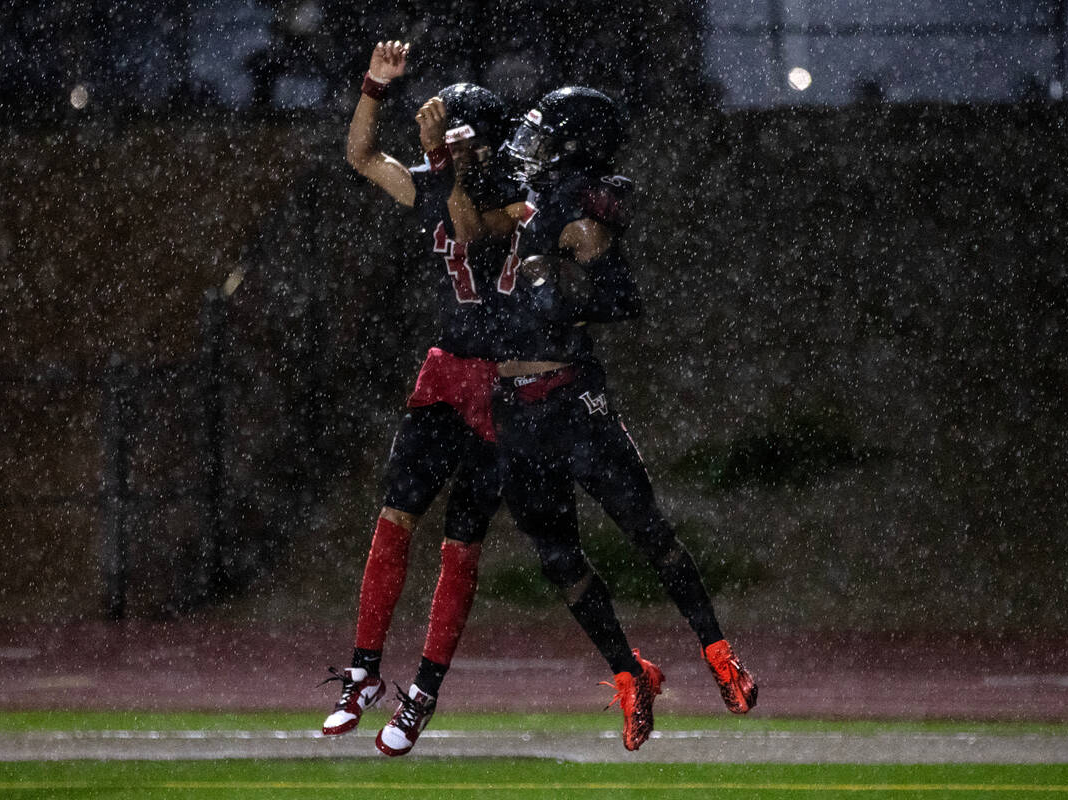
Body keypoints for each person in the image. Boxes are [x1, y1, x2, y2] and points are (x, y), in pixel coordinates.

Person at [483, 86, 758, 750]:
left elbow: (620, 297)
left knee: (647, 532)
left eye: (547, 131)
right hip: (516, 415)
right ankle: (630, 673)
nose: (533, 140)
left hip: (573, 402)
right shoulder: (528, 201)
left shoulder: (580, 206)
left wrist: (558, 287)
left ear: (574, 142)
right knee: (559, 561)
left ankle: (718, 652)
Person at [321, 41, 514, 757]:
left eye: (443, 131)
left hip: (503, 388)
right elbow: (363, 157)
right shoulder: (439, 182)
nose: (429, 142)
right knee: (394, 519)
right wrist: (375, 87)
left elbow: (469, 223)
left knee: (460, 547)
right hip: (446, 374)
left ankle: (424, 690)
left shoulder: (508, 196)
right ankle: (366, 669)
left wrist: (459, 156)